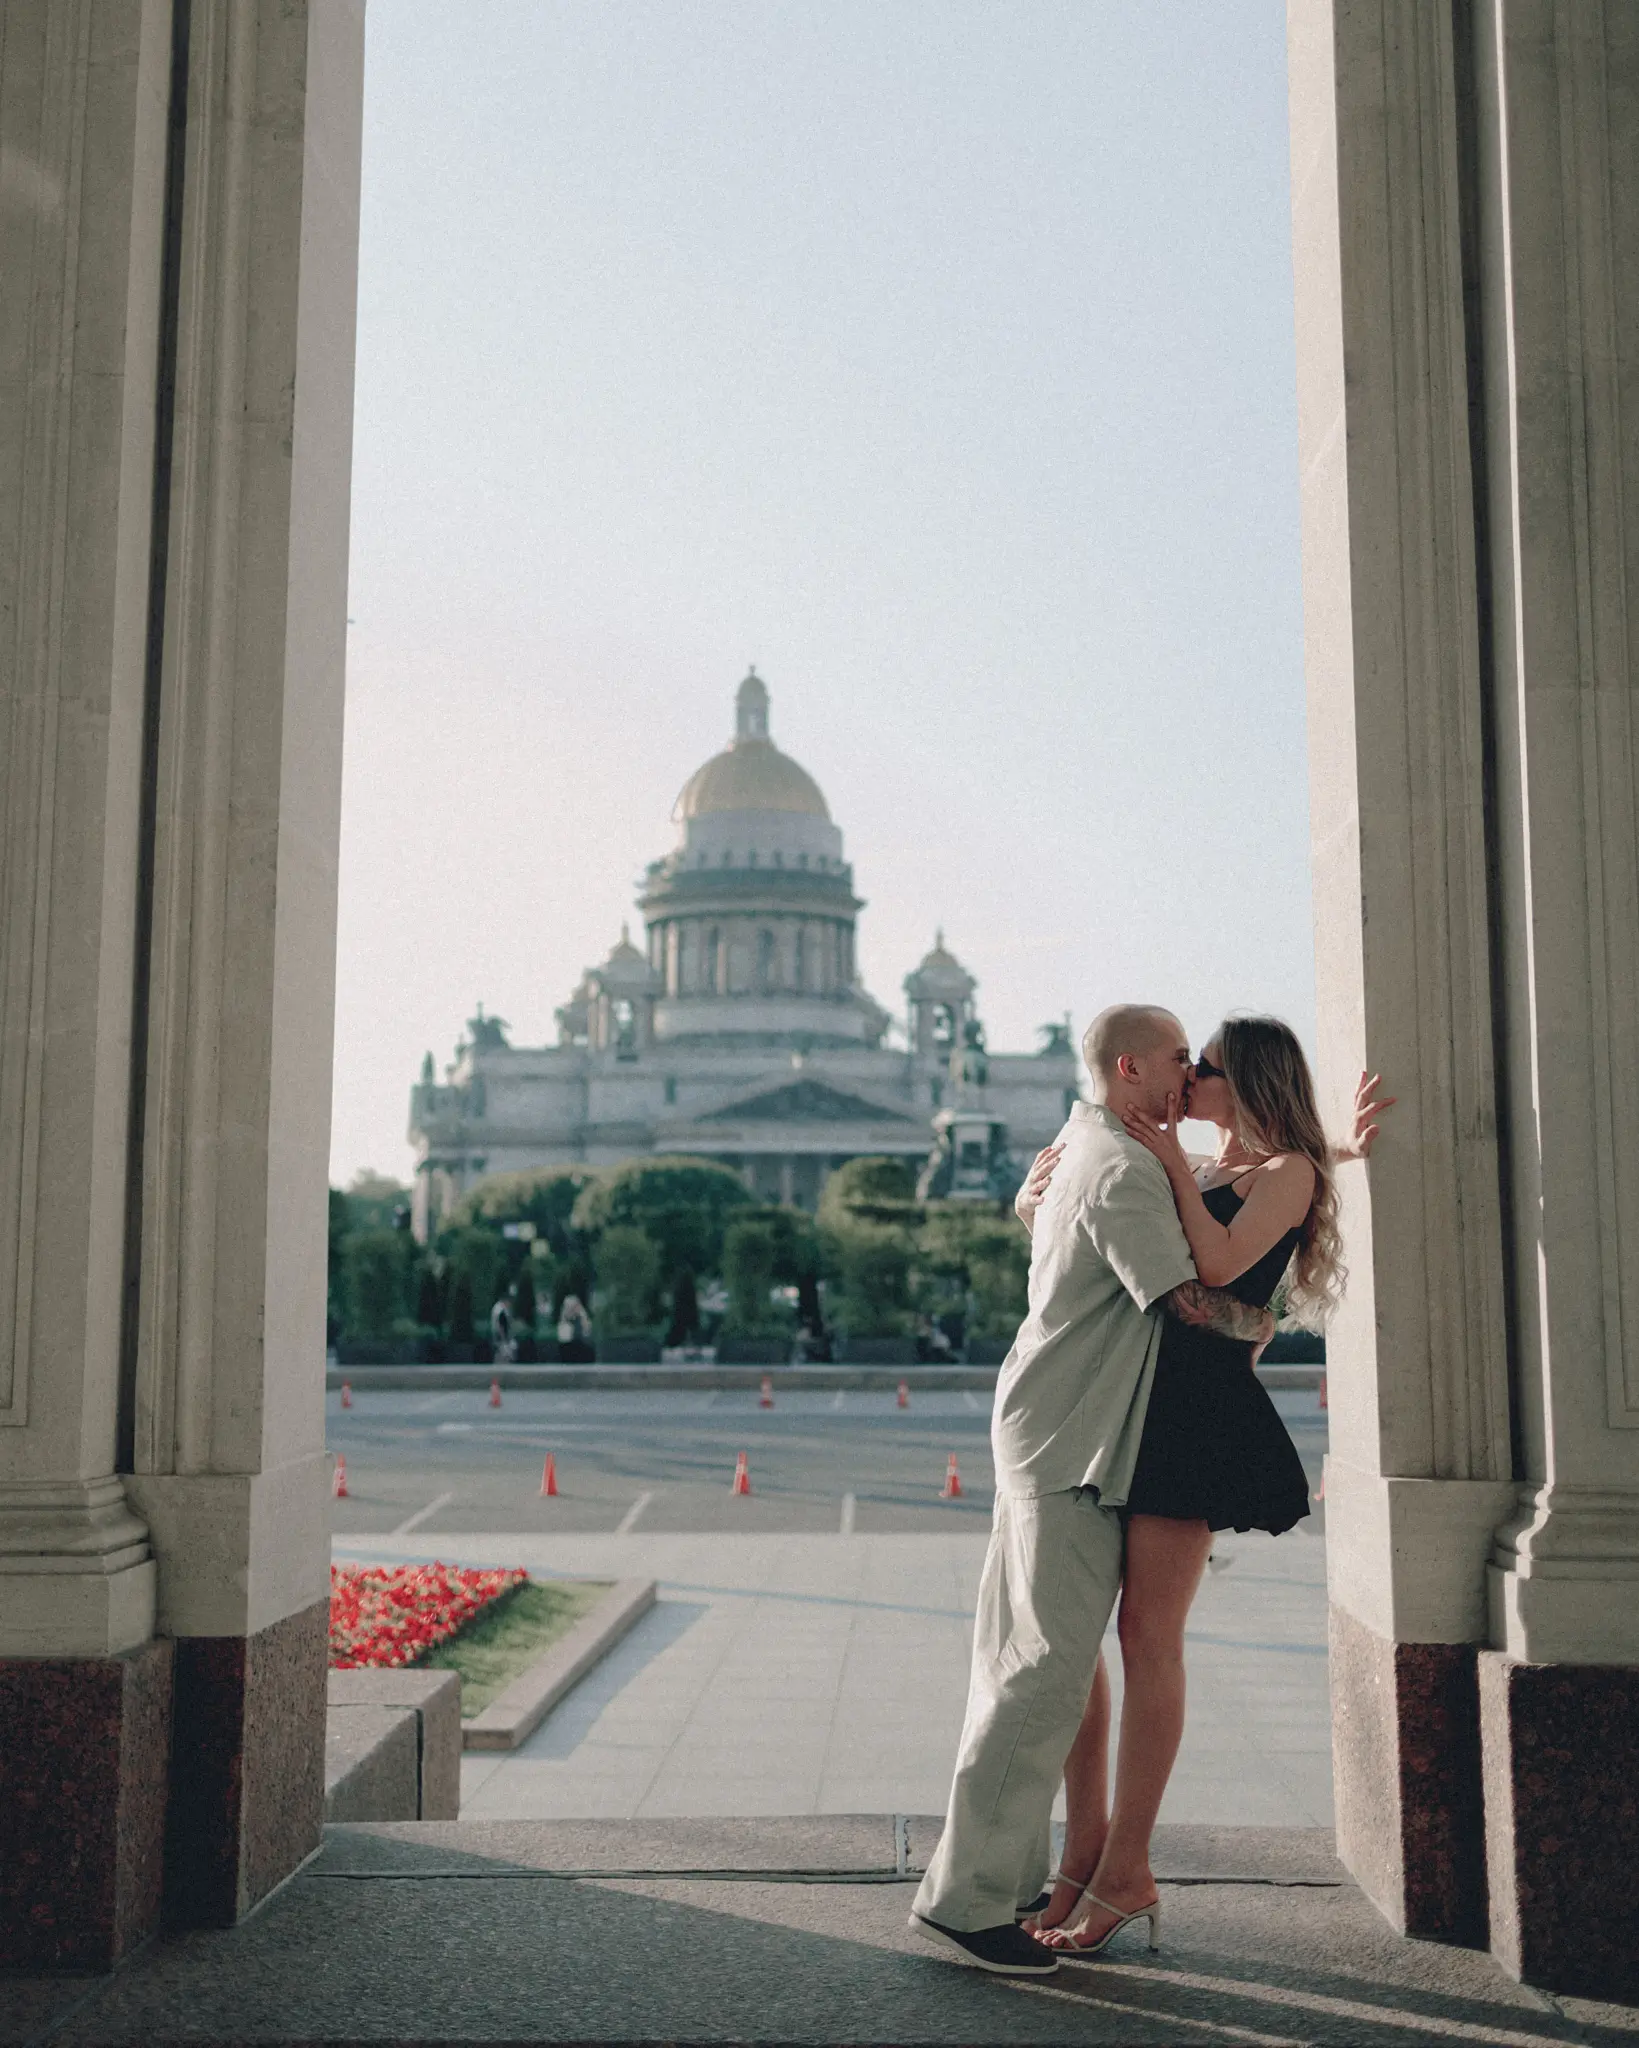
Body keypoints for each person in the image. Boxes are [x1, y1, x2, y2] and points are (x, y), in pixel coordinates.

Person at [910, 1005, 1281, 1977]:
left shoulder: (1082, 1138)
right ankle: (969, 1900)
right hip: (1073, 1437)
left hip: (1045, 1422)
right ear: (1128, 1067)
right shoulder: (1120, 1167)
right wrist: (1267, 1321)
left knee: (1020, 1660)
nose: (1187, 1072)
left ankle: (1005, 1872)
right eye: (1173, 1059)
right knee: (1044, 1674)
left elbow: (1049, 1215)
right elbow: (1186, 1301)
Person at [1018, 1019, 1391, 1961]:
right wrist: (1043, 1202)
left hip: (1195, 1419)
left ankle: (1126, 1868)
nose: (1185, 1079)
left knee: (1148, 1640)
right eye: (1184, 1064)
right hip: (1130, 1402)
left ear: (1245, 1083)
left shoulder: (1274, 1173)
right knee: (1077, 1643)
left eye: (1205, 1068)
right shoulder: (1207, 1159)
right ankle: (1085, 1852)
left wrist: (1184, 1169)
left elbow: (1221, 1265)